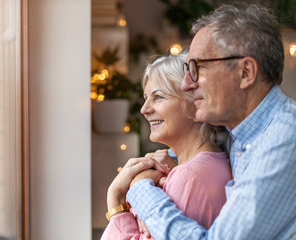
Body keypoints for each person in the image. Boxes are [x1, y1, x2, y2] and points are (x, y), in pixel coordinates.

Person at [109, 3, 296, 240]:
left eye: (197, 68)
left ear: (245, 72)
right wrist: (161, 163)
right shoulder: (240, 134)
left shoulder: (283, 140)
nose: (186, 84)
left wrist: (140, 188)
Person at [101, 53, 232, 239]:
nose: (144, 109)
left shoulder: (189, 176)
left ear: (196, 105)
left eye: (159, 97)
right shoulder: (208, 164)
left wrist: (116, 201)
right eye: (146, 97)